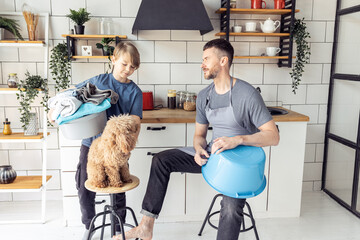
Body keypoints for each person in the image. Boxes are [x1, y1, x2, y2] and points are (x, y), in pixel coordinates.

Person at [114, 38, 280, 240]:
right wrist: (199, 148)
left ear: (223, 61)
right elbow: (199, 135)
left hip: (239, 165)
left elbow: (273, 136)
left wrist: (237, 140)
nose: (202, 64)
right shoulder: (204, 96)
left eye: (206, 59)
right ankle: (146, 226)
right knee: (161, 160)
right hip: (213, 153)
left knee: (230, 207)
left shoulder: (247, 94)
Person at [48, 42, 143, 240]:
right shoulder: (99, 81)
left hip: (117, 149)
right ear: (114, 59)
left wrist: (129, 146)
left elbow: (135, 122)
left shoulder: (135, 92)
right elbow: (72, 93)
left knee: (118, 186)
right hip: (90, 144)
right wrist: (55, 109)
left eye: (133, 67)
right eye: (124, 64)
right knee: (85, 184)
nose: (128, 70)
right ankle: (89, 223)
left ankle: (118, 227)